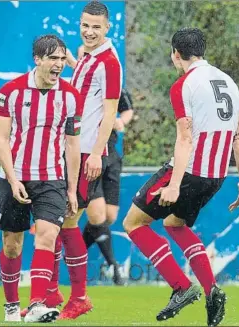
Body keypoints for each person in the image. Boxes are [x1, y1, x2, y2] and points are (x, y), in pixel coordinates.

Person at [123, 27, 239, 327]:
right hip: (215, 177)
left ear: (175, 54)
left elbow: (185, 138)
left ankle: (180, 286)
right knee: (174, 225)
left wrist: (174, 185)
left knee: (133, 223)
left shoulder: (183, 85)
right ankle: (211, 290)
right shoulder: (229, 83)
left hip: (189, 172)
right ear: (202, 51)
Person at [0, 34, 82, 323]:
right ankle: (11, 307)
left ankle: (36, 305)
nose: (59, 64)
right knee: (12, 245)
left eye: (62, 59)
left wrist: (71, 189)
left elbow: (72, 145)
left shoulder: (70, 96)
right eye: (53, 58)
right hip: (14, 177)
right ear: (38, 60)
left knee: (47, 237)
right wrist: (13, 178)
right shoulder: (11, 92)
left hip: (52, 179)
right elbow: (2, 140)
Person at [55, 0, 122, 320]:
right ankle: (56, 294)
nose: (90, 31)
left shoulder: (109, 62)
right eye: (85, 25)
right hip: (68, 149)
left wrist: (96, 152)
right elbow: (81, 80)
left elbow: (110, 112)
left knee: (66, 221)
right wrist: (68, 57)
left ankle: (77, 296)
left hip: (85, 154)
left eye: (97, 26)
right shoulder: (87, 56)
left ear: (108, 28)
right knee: (58, 221)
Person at [82, 87, 134, 285]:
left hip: (110, 155)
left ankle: (73, 255)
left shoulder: (113, 84)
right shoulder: (81, 85)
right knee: (97, 215)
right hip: (87, 155)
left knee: (109, 217)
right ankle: (114, 266)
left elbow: (127, 110)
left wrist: (120, 120)